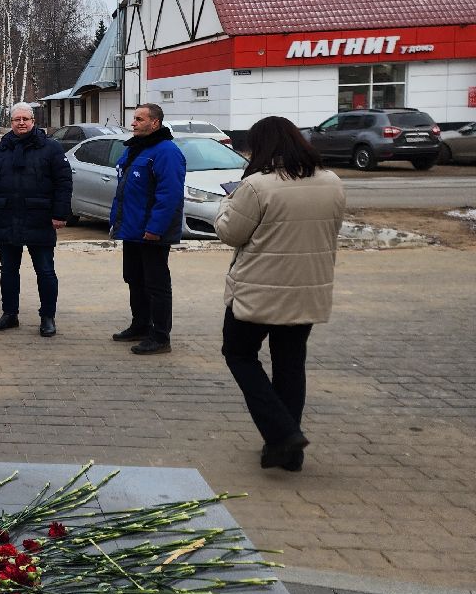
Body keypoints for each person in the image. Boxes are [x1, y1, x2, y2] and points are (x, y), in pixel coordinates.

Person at [215, 116, 345, 472]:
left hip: (258, 291)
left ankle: (283, 433)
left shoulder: (256, 186)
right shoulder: (331, 182)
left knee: (239, 354)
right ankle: (289, 453)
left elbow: (230, 233)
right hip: (308, 288)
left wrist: (228, 202)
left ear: (262, 147)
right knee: (290, 363)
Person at [0, 104, 72, 338]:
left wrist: (60, 214)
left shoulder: (51, 148)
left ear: (33, 121)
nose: (21, 123)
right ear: (10, 123)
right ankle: (9, 314)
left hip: (39, 218)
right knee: (8, 271)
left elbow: (63, 183)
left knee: (45, 271)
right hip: (6, 218)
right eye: (16, 119)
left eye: (25, 119)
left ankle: (47, 317)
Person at [109, 103, 187, 355]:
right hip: (132, 229)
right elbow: (124, 191)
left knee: (156, 285)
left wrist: (155, 228)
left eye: (139, 119)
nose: (133, 123)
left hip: (151, 233)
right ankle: (140, 325)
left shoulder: (166, 152)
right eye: (134, 118)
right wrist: (116, 222)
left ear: (155, 123)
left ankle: (160, 336)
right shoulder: (136, 149)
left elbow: (169, 194)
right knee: (134, 278)